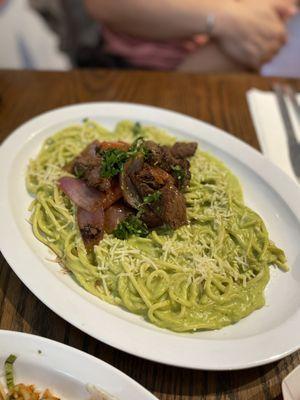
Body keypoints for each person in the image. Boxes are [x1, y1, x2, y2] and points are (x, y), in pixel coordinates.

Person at [84, 0, 298, 72]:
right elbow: (104, 5)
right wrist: (226, 19)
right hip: (125, 69)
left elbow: (262, 32)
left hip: (222, 72)